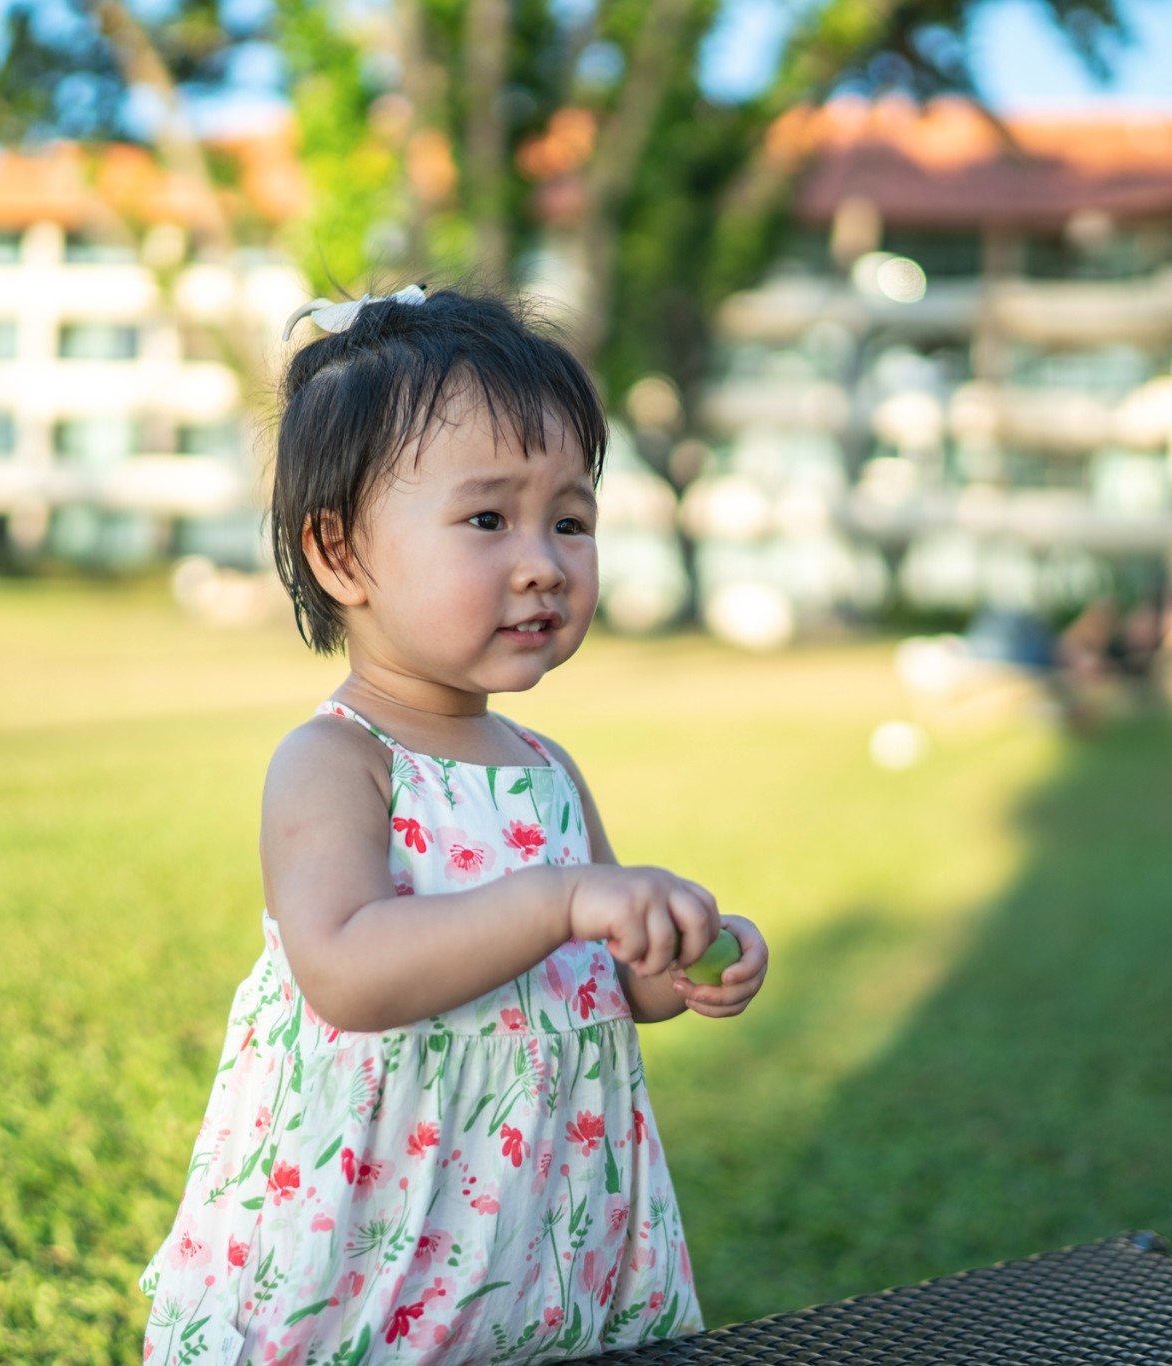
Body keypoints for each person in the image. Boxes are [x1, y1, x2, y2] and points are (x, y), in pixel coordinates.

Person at [140, 285, 769, 1364]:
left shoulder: (544, 770)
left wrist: (674, 964)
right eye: (487, 519)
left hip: (540, 1217)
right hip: (376, 1235)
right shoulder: (336, 761)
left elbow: (599, 981)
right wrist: (559, 899)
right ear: (339, 555)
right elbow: (343, 965)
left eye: (569, 519)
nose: (543, 560)